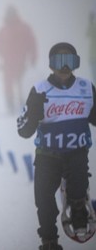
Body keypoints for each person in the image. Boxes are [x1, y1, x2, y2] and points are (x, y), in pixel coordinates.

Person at [17, 42, 96, 250]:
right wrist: (34, 113)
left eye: (69, 61)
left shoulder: (86, 88)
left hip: (76, 152)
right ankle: (49, 240)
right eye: (59, 61)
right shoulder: (41, 90)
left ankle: (78, 207)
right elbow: (23, 130)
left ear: (76, 63)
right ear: (51, 65)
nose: (64, 67)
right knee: (43, 199)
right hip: (47, 155)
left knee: (78, 183)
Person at [0, 5, 37, 114]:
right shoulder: (6, 29)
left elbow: (32, 43)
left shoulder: (20, 28)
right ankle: (13, 107)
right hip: (10, 64)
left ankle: (20, 107)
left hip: (20, 63)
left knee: (19, 85)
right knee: (12, 85)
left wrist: (33, 58)